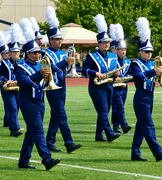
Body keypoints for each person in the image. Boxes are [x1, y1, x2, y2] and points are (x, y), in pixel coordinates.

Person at [15, 18, 61, 170]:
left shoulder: (41, 63)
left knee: (32, 131)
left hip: (40, 100)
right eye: (34, 53)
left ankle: (23, 160)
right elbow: (23, 83)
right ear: (27, 54)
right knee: (39, 130)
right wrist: (39, 74)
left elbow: (53, 69)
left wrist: (66, 62)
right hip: (28, 101)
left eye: (39, 52)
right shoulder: (20, 66)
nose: (38, 55)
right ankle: (46, 159)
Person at [44, 6, 82, 153]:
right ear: (51, 40)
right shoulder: (44, 53)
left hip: (62, 84)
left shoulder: (63, 53)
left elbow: (66, 69)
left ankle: (50, 141)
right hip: (51, 86)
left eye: (60, 38)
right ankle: (69, 142)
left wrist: (74, 61)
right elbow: (49, 69)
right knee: (61, 114)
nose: (60, 41)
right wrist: (65, 62)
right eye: (57, 39)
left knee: (55, 115)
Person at [82, 14, 121, 142]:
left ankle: (99, 135)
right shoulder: (91, 56)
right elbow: (84, 70)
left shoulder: (113, 56)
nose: (106, 44)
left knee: (105, 110)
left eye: (108, 42)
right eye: (104, 42)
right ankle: (109, 133)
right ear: (98, 43)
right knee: (103, 110)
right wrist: (95, 73)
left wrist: (116, 75)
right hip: (96, 87)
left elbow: (115, 70)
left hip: (109, 85)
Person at [130, 17, 162, 162]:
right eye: (146, 52)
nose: (149, 54)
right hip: (141, 97)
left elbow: (155, 80)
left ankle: (135, 152)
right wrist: (153, 72)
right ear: (140, 52)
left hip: (150, 96)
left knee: (141, 126)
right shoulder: (135, 63)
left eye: (150, 52)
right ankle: (158, 152)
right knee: (148, 126)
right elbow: (139, 77)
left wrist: (158, 74)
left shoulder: (151, 64)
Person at [111, 24, 132, 134]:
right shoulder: (113, 61)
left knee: (119, 107)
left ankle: (115, 126)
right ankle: (124, 125)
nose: (123, 52)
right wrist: (114, 75)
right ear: (117, 50)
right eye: (121, 49)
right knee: (119, 106)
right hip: (115, 87)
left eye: (124, 49)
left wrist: (124, 78)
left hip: (124, 86)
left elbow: (130, 74)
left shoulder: (128, 62)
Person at [0, 30, 10, 127]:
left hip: (13, 84)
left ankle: (8, 120)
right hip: (4, 84)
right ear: (3, 54)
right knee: (7, 103)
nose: (8, 54)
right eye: (6, 53)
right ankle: (8, 121)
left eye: (9, 53)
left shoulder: (12, 62)